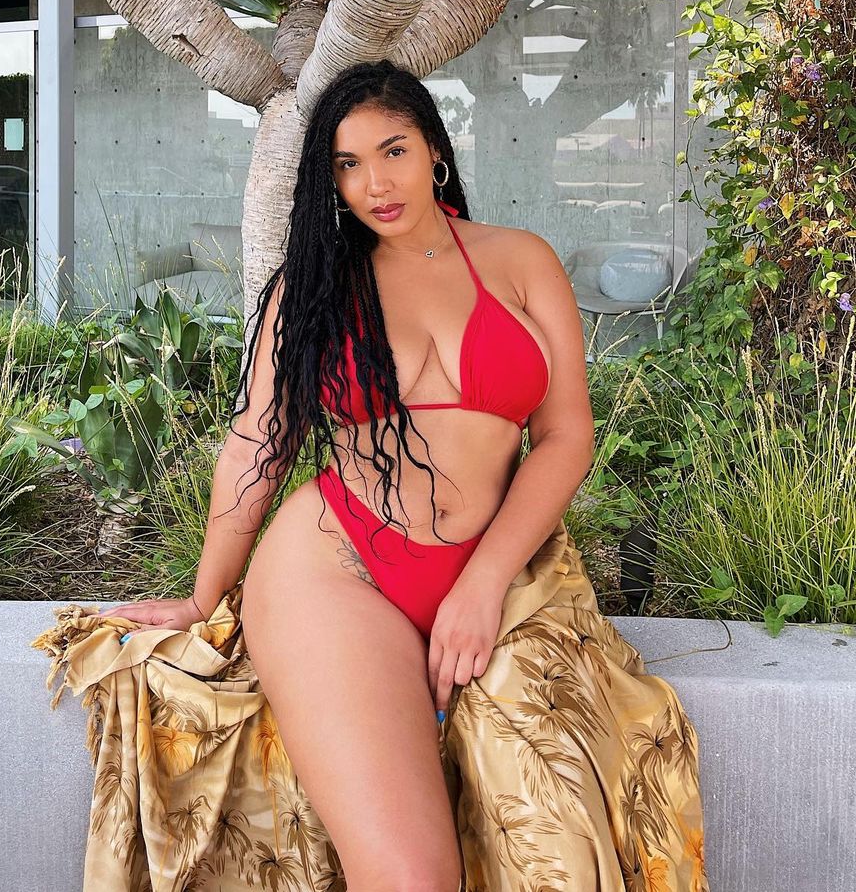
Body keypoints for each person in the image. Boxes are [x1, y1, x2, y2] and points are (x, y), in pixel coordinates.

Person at [57, 58, 709, 891]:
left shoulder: (520, 261)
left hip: (498, 571)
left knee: (554, 848)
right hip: (338, 567)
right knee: (410, 877)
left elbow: (564, 436)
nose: (375, 183)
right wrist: (202, 595)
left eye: (393, 151)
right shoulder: (316, 287)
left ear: (435, 149)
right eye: (348, 164)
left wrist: (482, 585)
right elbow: (259, 442)